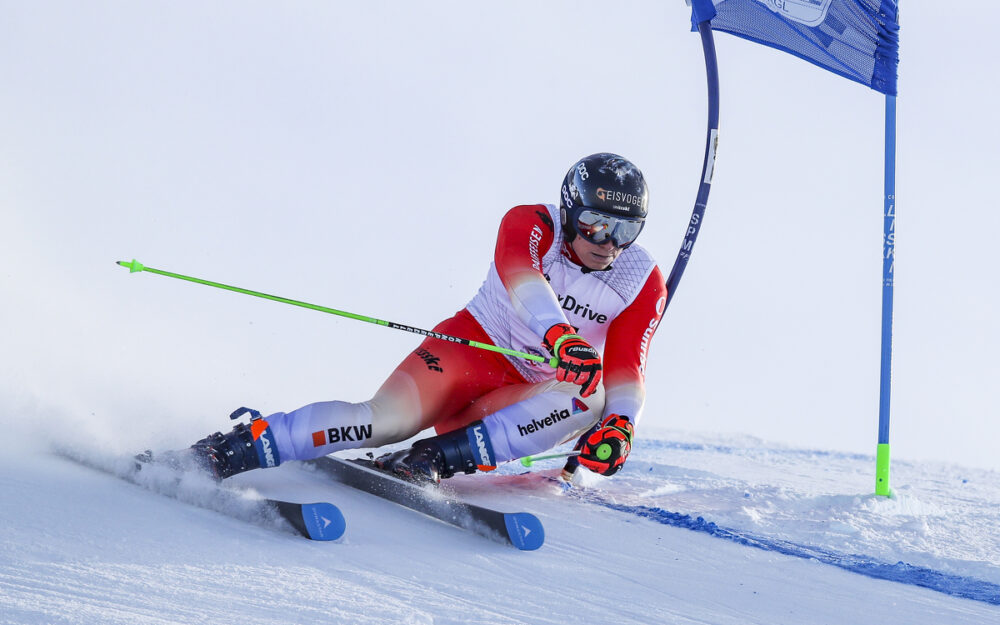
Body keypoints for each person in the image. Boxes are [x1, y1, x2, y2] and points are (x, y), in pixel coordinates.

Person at [185, 153, 667, 484]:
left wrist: (620, 425)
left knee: (593, 395)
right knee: (380, 422)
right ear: (570, 210)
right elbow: (522, 279)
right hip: (466, 352)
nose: (608, 242)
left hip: (516, 402)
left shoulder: (639, 278)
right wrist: (561, 336)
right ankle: (231, 450)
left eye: (626, 229)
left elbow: (628, 368)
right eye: (595, 224)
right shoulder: (531, 221)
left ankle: (433, 459)